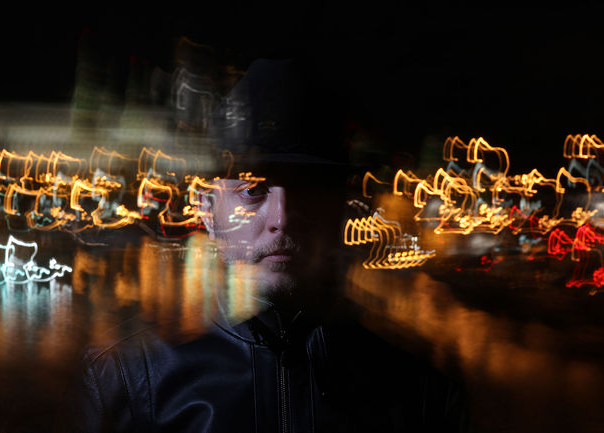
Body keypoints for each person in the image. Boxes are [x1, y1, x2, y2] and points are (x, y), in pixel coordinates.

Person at [56, 58, 471, 433]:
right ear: (207, 211)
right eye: (253, 191)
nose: (281, 219)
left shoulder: (418, 392)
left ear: (340, 209)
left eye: (306, 191)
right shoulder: (126, 379)